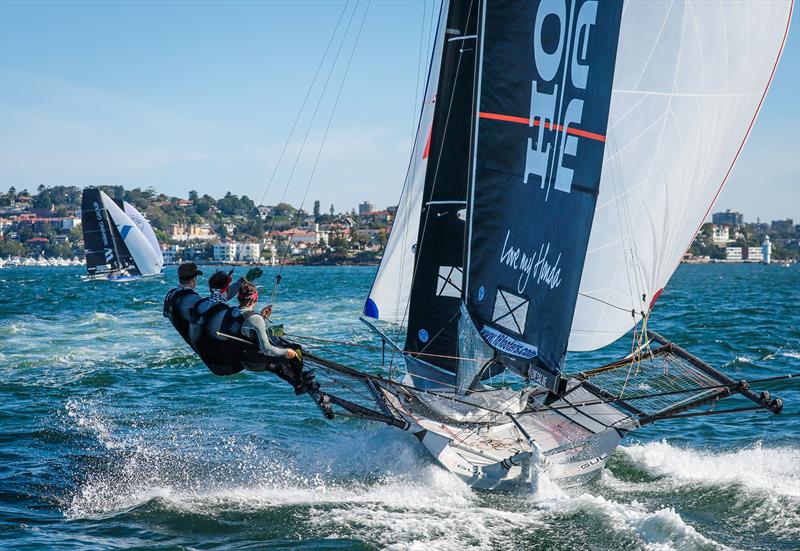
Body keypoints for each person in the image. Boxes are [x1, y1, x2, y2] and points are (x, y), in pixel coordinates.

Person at [163, 262, 204, 348]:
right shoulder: (194, 298)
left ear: (179, 278)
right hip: (201, 344)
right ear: (194, 279)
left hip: (189, 339)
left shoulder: (170, 295)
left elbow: (165, 314)